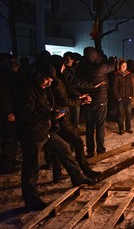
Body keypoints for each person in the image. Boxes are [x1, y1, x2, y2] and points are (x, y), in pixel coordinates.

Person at [18, 64, 95, 211]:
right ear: (38, 75)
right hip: (32, 134)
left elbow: (46, 106)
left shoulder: (43, 89)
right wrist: (50, 115)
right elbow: (27, 115)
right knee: (31, 167)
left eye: (51, 81)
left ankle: (78, 178)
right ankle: (32, 201)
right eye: (47, 80)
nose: (48, 83)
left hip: (46, 130)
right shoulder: (27, 91)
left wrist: (53, 114)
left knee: (64, 148)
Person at [76, 47, 115, 157]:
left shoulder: (81, 69)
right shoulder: (100, 67)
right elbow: (112, 66)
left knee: (89, 127)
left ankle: (90, 151)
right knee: (100, 127)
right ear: (94, 56)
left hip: (87, 100)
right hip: (100, 101)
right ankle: (100, 150)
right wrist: (113, 59)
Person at [0, 55, 20, 174]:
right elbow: (3, 96)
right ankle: (7, 164)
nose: (14, 63)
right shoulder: (3, 76)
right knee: (9, 137)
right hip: (7, 112)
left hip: (11, 109)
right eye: (11, 61)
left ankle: (10, 159)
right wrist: (8, 112)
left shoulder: (8, 74)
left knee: (11, 137)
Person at [112, 59, 134, 135]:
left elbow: (131, 86)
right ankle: (121, 128)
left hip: (127, 97)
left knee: (129, 113)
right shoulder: (116, 75)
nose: (125, 67)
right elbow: (114, 88)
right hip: (120, 98)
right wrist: (118, 97)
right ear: (119, 66)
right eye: (123, 66)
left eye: (126, 66)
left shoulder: (129, 74)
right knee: (120, 114)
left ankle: (128, 127)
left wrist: (131, 95)